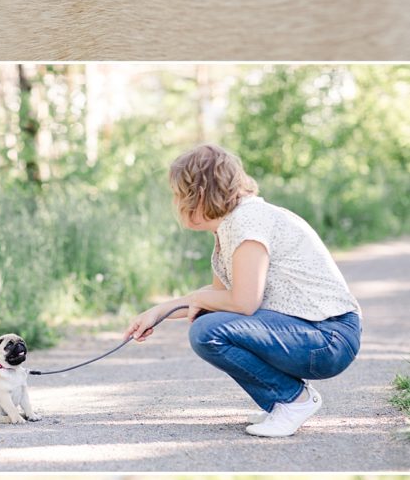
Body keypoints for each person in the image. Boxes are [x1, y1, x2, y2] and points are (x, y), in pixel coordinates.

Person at [126, 143, 362, 438]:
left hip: (329, 337)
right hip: (311, 332)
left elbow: (243, 302)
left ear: (197, 194)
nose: (175, 202)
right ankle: (283, 401)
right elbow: (218, 303)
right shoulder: (227, 229)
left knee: (206, 331)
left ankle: (292, 399)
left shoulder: (248, 221)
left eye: (177, 193)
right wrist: (158, 313)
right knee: (208, 324)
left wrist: (198, 299)